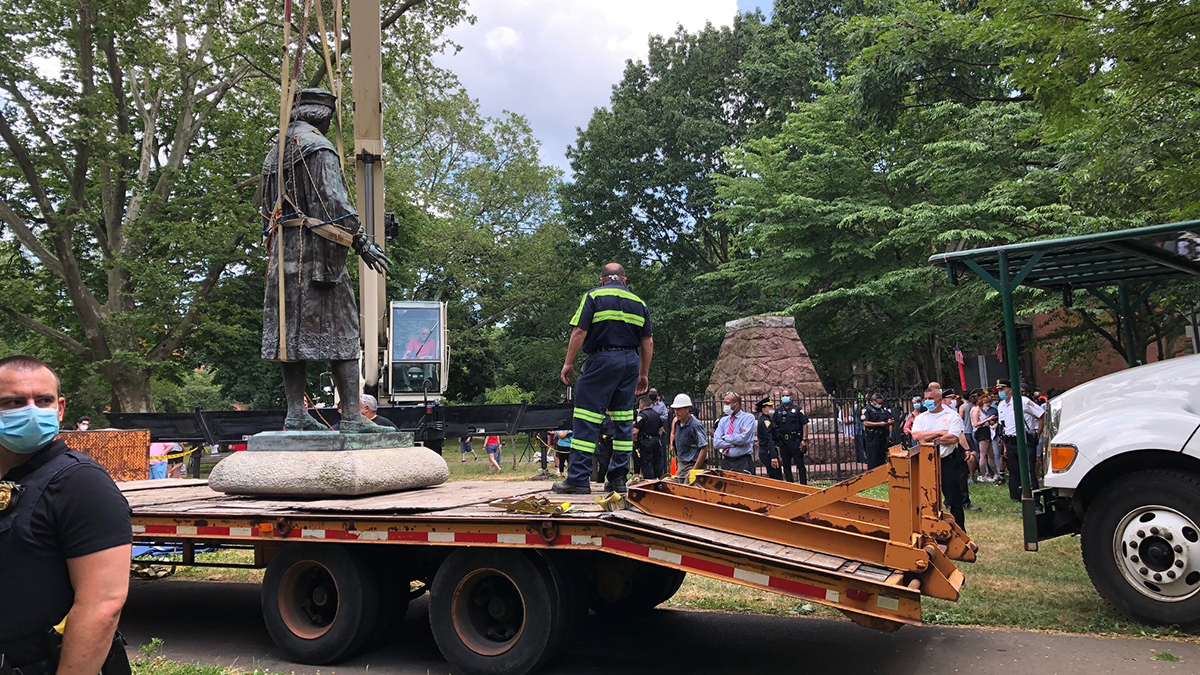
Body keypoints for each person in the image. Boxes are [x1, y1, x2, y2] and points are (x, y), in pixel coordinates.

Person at [259, 87, 392, 434]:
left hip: (282, 257)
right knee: (345, 333)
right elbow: (334, 203)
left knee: (290, 336)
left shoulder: (275, 153)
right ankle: (351, 417)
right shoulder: (317, 148)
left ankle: (294, 414)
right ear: (323, 116)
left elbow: (264, 210)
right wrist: (362, 242)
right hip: (317, 259)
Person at [0, 355, 133, 675]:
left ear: (59, 409)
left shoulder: (81, 482)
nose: (31, 410)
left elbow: (103, 605)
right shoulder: (11, 480)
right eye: (14, 402)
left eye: (43, 400)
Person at [554, 263, 653, 495]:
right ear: (624, 280)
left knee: (587, 418)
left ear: (602, 280)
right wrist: (643, 373)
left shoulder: (593, 296)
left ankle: (578, 478)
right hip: (629, 360)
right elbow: (647, 342)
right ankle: (618, 478)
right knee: (623, 421)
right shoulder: (639, 303)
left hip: (601, 360)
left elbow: (579, 331)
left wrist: (568, 362)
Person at [910, 384, 969, 530]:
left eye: (930, 398)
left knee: (953, 498)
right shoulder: (921, 418)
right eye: (925, 399)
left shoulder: (951, 416)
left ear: (940, 399)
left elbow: (953, 439)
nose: (927, 401)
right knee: (928, 498)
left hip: (947, 461)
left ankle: (960, 530)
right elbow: (917, 436)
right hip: (926, 462)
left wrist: (929, 437)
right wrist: (940, 432)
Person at [996, 378, 1045, 501]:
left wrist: (1038, 433)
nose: (1000, 392)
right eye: (998, 389)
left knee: (1028, 470)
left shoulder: (1023, 401)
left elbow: (1041, 415)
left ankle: (1034, 498)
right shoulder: (1001, 405)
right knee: (1013, 471)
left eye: (1002, 389)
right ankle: (1017, 497)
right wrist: (1006, 446)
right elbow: (1004, 427)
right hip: (1010, 441)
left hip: (1025, 440)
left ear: (1010, 390)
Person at [712, 392, 756, 474]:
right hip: (726, 462)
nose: (725, 406)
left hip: (743, 461)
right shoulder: (723, 420)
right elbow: (716, 442)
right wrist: (733, 444)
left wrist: (725, 437)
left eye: (728, 403)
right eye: (724, 403)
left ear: (736, 405)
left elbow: (743, 439)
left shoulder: (748, 418)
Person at [667, 394, 708, 482]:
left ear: (687, 409)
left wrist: (694, 469)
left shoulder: (695, 425)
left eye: (679, 409)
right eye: (675, 409)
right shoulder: (677, 424)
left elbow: (704, 448)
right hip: (682, 464)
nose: (676, 412)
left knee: (689, 491)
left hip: (694, 463)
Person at [772, 389, 809, 484]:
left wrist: (804, 439)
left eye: (787, 395)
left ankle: (804, 485)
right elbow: (774, 425)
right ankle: (790, 485)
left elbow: (804, 424)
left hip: (795, 440)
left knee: (800, 464)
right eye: (783, 395)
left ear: (791, 396)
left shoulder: (797, 410)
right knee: (786, 465)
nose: (785, 397)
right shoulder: (778, 411)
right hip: (783, 442)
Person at [633, 395, 664, 480]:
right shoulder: (656, 414)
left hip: (646, 442)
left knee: (647, 463)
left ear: (642, 404)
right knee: (657, 462)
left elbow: (635, 431)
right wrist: (657, 437)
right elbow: (661, 429)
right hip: (656, 441)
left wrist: (634, 441)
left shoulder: (642, 416)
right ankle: (658, 481)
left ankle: (649, 482)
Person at [861, 393, 894, 469]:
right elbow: (865, 423)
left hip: (882, 437)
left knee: (881, 459)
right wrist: (879, 424)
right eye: (878, 403)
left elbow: (890, 417)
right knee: (873, 459)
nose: (880, 404)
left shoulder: (882, 410)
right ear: (873, 401)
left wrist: (890, 421)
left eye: (881, 403)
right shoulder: (866, 410)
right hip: (872, 437)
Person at [972, 393, 999, 481]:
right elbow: (976, 424)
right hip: (981, 432)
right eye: (987, 404)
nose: (988, 406)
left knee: (990, 455)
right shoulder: (976, 410)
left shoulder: (982, 411)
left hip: (987, 430)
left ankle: (996, 473)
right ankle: (983, 475)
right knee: (983, 455)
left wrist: (990, 421)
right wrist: (987, 419)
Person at [756, 398, 782, 479]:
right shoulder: (765, 421)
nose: (772, 408)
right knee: (776, 477)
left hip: (767, 451)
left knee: (774, 475)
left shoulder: (767, 419)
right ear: (763, 409)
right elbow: (769, 439)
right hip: (768, 452)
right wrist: (773, 456)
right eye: (769, 407)